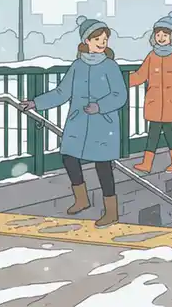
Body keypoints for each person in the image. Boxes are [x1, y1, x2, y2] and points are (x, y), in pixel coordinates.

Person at [20, 16, 127, 228]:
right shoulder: (77, 66)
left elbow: (120, 95)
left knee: (103, 166)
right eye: (97, 38)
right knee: (69, 157)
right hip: (78, 123)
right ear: (86, 41)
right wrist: (36, 103)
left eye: (104, 38)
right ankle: (81, 198)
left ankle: (111, 211)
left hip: (102, 125)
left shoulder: (110, 66)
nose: (102, 42)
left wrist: (100, 107)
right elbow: (62, 92)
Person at [129, 12, 172, 173]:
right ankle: (148, 163)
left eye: (165, 34)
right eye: (158, 34)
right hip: (155, 103)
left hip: (171, 103)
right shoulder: (152, 56)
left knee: (169, 132)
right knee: (153, 133)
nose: (161, 37)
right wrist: (123, 81)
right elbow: (140, 75)